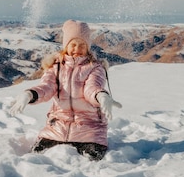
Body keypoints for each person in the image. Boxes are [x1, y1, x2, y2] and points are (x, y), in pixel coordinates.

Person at [9, 19, 120, 161]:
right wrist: (30, 94)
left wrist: (102, 96)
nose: (77, 49)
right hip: (57, 127)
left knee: (91, 161)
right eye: (73, 44)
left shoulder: (95, 67)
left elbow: (92, 88)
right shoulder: (55, 67)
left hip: (89, 129)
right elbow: (47, 87)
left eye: (82, 45)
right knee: (36, 158)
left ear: (88, 47)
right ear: (66, 45)